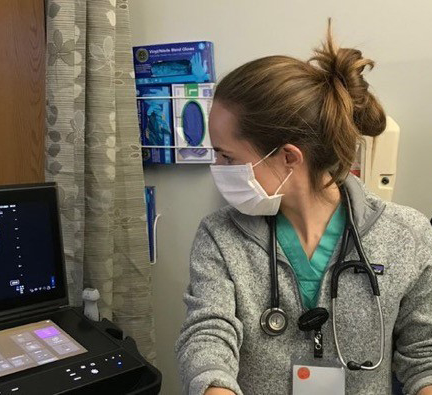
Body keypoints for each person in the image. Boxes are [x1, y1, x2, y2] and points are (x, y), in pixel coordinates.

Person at [175, 21, 432, 395]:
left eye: (227, 156)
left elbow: (423, 354)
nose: (217, 168)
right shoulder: (220, 235)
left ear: (289, 158)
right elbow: (207, 337)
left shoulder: (406, 235)